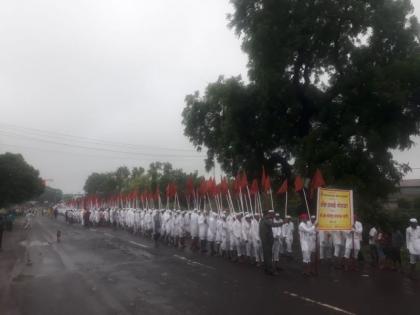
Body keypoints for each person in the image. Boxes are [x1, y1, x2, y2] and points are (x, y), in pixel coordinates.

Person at [259, 210, 279, 275]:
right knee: (269, 256)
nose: (270, 215)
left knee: (266, 255)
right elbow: (273, 225)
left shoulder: (262, 220)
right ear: (266, 215)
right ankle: (270, 270)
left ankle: (266, 269)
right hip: (267, 241)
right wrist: (283, 223)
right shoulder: (265, 221)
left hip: (265, 241)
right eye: (269, 214)